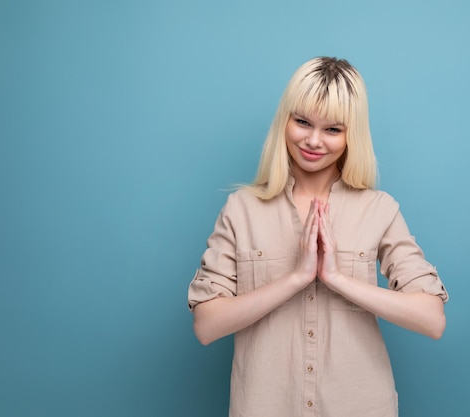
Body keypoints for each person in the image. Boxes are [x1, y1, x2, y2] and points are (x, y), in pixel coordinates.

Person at [188, 57, 449, 417]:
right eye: (303, 122)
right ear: (286, 121)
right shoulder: (241, 209)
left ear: (351, 134)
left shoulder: (379, 209)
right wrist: (296, 277)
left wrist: (337, 279)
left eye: (333, 129)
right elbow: (206, 325)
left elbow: (432, 320)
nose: (313, 140)